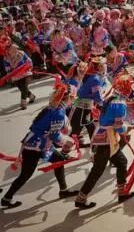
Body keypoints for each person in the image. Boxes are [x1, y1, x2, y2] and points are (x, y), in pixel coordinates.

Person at [1, 78, 78, 208]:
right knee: (25, 174)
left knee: (58, 160)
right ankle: (7, 198)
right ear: (67, 98)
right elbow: (54, 135)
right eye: (73, 98)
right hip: (35, 146)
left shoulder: (54, 107)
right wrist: (67, 141)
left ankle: (63, 190)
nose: (74, 100)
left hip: (38, 143)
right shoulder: (58, 112)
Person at [74, 74, 134, 209]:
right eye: (131, 86)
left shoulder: (112, 98)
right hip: (106, 140)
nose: (133, 89)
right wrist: (128, 128)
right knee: (98, 170)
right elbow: (119, 127)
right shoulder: (120, 104)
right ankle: (81, 198)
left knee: (121, 162)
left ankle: (122, 192)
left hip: (104, 137)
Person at [69, 57, 108, 147]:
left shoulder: (92, 76)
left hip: (85, 106)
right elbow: (97, 97)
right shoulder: (95, 79)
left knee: (91, 127)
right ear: (97, 68)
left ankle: (95, 146)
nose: (105, 66)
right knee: (75, 131)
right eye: (102, 65)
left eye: (104, 65)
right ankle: (64, 150)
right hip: (82, 107)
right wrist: (105, 104)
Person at [3, 44, 35, 109]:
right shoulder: (6, 58)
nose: (12, 50)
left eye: (13, 49)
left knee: (24, 86)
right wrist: (10, 73)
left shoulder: (21, 53)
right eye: (9, 49)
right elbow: (7, 68)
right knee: (22, 88)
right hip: (16, 75)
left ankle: (23, 103)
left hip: (25, 73)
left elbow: (29, 61)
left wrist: (29, 67)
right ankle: (32, 96)